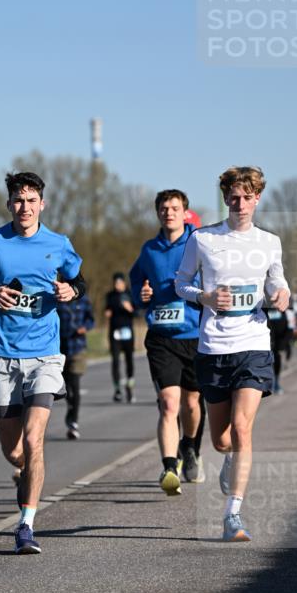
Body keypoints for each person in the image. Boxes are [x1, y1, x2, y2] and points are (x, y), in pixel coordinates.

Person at [0, 170, 86, 555]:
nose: (24, 207)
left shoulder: (58, 243)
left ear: (42, 204)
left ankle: (26, 525)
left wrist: (70, 289)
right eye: (18, 200)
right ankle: (23, 473)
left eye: (31, 200)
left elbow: (82, 282)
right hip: (0, 353)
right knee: (14, 451)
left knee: (34, 440)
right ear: (9, 204)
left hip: (45, 354)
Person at [175, 166, 290, 542]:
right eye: (233, 197)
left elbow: (277, 282)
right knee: (222, 440)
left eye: (246, 197)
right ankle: (227, 459)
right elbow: (181, 283)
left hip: (253, 344)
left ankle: (233, 514)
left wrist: (281, 295)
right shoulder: (203, 239)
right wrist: (204, 297)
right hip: (213, 347)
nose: (240, 204)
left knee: (243, 429)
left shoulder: (269, 242)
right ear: (225, 198)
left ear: (257, 198)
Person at [130, 189, 203, 494]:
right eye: (163, 208)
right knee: (169, 403)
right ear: (158, 213)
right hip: (161, 337)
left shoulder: (199, 244)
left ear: (185, 212)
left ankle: (189, 446)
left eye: (174, 208)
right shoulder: (149, 250)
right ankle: (169, 467)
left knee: (191, 402)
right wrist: (141, 296)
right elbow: (136, 284)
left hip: (196, 336)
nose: (168, 212)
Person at [56, 292, 95, 440]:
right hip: (60, 348)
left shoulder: (84, 300)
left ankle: (73, 422)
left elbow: (91, 320)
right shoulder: (56, 299)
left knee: (75, 384)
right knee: (64, 387)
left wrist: (85, 328)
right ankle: (71, 407)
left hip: (78, 347)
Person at [104, 273, 136, 402]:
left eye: (119, 283)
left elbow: (138, 312)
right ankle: (117, 389)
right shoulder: (110, 296)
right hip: (114, 332)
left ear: (124, 283)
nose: (117, 285)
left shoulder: (130, 294)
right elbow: (107, 309)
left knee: (129, 360)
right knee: (115, 361)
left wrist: (130, 309)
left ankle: (129, 386)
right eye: (115, 283)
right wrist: (107, 312)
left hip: (128, 332)